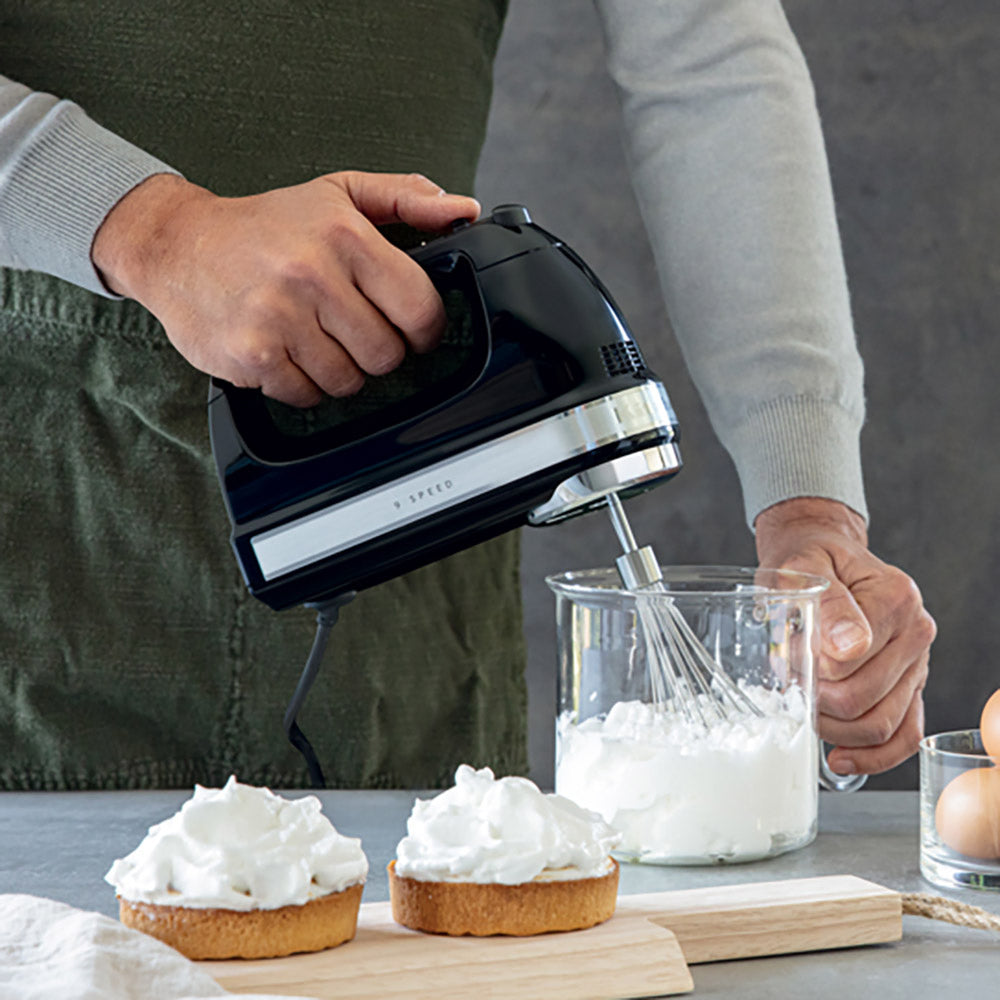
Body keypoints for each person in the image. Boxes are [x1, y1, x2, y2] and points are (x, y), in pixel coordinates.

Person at [0, 0, 934, 790]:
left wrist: (809, 506)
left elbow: (709, 66)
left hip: (420, 516)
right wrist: (152, 229)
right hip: (43, 516)